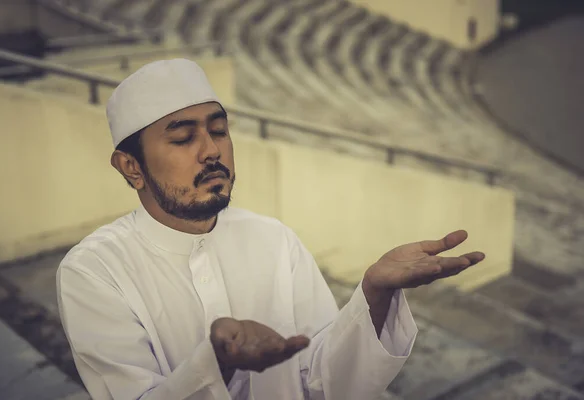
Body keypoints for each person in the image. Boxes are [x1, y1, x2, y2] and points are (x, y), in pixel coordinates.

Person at [56, 58, 485, 400]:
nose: (211, 151)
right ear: (132, 168)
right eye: (184, 138)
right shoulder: (94, 272)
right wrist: (217, 362)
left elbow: (323, 382)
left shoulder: (274, 239)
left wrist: (373, 293)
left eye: (219, 131)